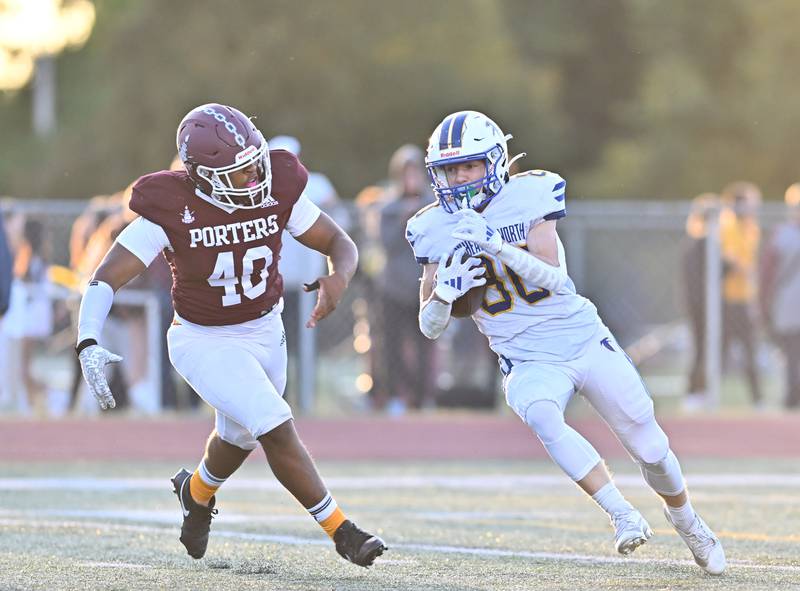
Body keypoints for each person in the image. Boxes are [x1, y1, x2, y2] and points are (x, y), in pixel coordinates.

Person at [405, 110, 726, 575]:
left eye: (468, 166)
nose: (457, 179)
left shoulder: (530, 195)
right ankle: (621, 513)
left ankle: (689, 521)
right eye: (449, 170)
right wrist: (443, 294)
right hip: (524, 354)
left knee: (651, 447)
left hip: (579, 337)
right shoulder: (432, 227)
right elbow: (429, 325)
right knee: (539, 411)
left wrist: (496, 246)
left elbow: (557, 280)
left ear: (494, 162)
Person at [75, 103, 386, 567]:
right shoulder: (171, 207)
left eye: (256, 164)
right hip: (203, 339)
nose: (254, 179)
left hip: (266, 328)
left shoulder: (276, 186)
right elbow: (104, 277)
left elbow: (340, 242)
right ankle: (343, 530)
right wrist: (87, 339)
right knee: (274, 424)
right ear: (201, 175)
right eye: (239, 172)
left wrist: (338, 276)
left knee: (238, 437)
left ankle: (195, 492)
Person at [375, 144, 437, 413]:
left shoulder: (431, 204)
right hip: (394, 287)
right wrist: (403, 218)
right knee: (392, 347)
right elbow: (386, 244)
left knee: (426, 344)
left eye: (415, 173)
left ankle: (423, 399)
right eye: (405, 173)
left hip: (424, 286)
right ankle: (395, 397)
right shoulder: (389, 207)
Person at [719, 181, 763, 408]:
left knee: (750, 349)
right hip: (727, 299)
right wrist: (747, 270)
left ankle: (758, 398)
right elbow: (730, 258)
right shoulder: (727, 226)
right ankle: (709, 394)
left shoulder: (752, 228)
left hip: (746, 298)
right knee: (720, 351)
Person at [760, 183, 800, 409]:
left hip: (786, 306)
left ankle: (791, 398)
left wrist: (763, 303)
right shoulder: (780, 235)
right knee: (792, 355)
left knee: (792, 355)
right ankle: (792, 397)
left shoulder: (779, 235)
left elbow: (767, 275)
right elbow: (767, 274)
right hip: (788, 306)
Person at [680, 193, 720, 412]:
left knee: (706, 349)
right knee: (700, 349)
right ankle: (694, 393)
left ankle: (703, 390)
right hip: (699, 306)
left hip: (703, 305)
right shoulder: (699, 243)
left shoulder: (704, 242)